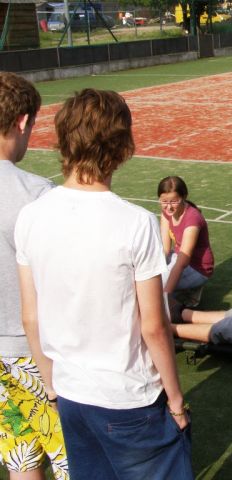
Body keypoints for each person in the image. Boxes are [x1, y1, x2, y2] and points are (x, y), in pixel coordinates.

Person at [15, 89, 193, 479]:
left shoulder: (31, 216)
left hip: (71, 394)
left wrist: (52, 387)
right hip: (129, 398)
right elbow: (153, 326)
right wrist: (176, 400)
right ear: (122, 146)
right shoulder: (136, 223)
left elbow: (31, 317)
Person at [0, 72, 69, 480]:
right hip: (35, 353)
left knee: (21, 458)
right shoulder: (37, 194)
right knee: (71, 459)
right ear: (22, 121)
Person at [158, 176, 214, 304]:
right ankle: (184, 291)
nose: (169, 207)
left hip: (198, 269)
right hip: (178, 257)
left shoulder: (192, 218)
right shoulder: (166, 213)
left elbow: (182, 262)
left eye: (174, 201)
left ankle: (190, 290)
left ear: (184, 197)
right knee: (150, 276)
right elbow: (165, 249)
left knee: (156, 286)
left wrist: (166, 293)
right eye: (164, 201)